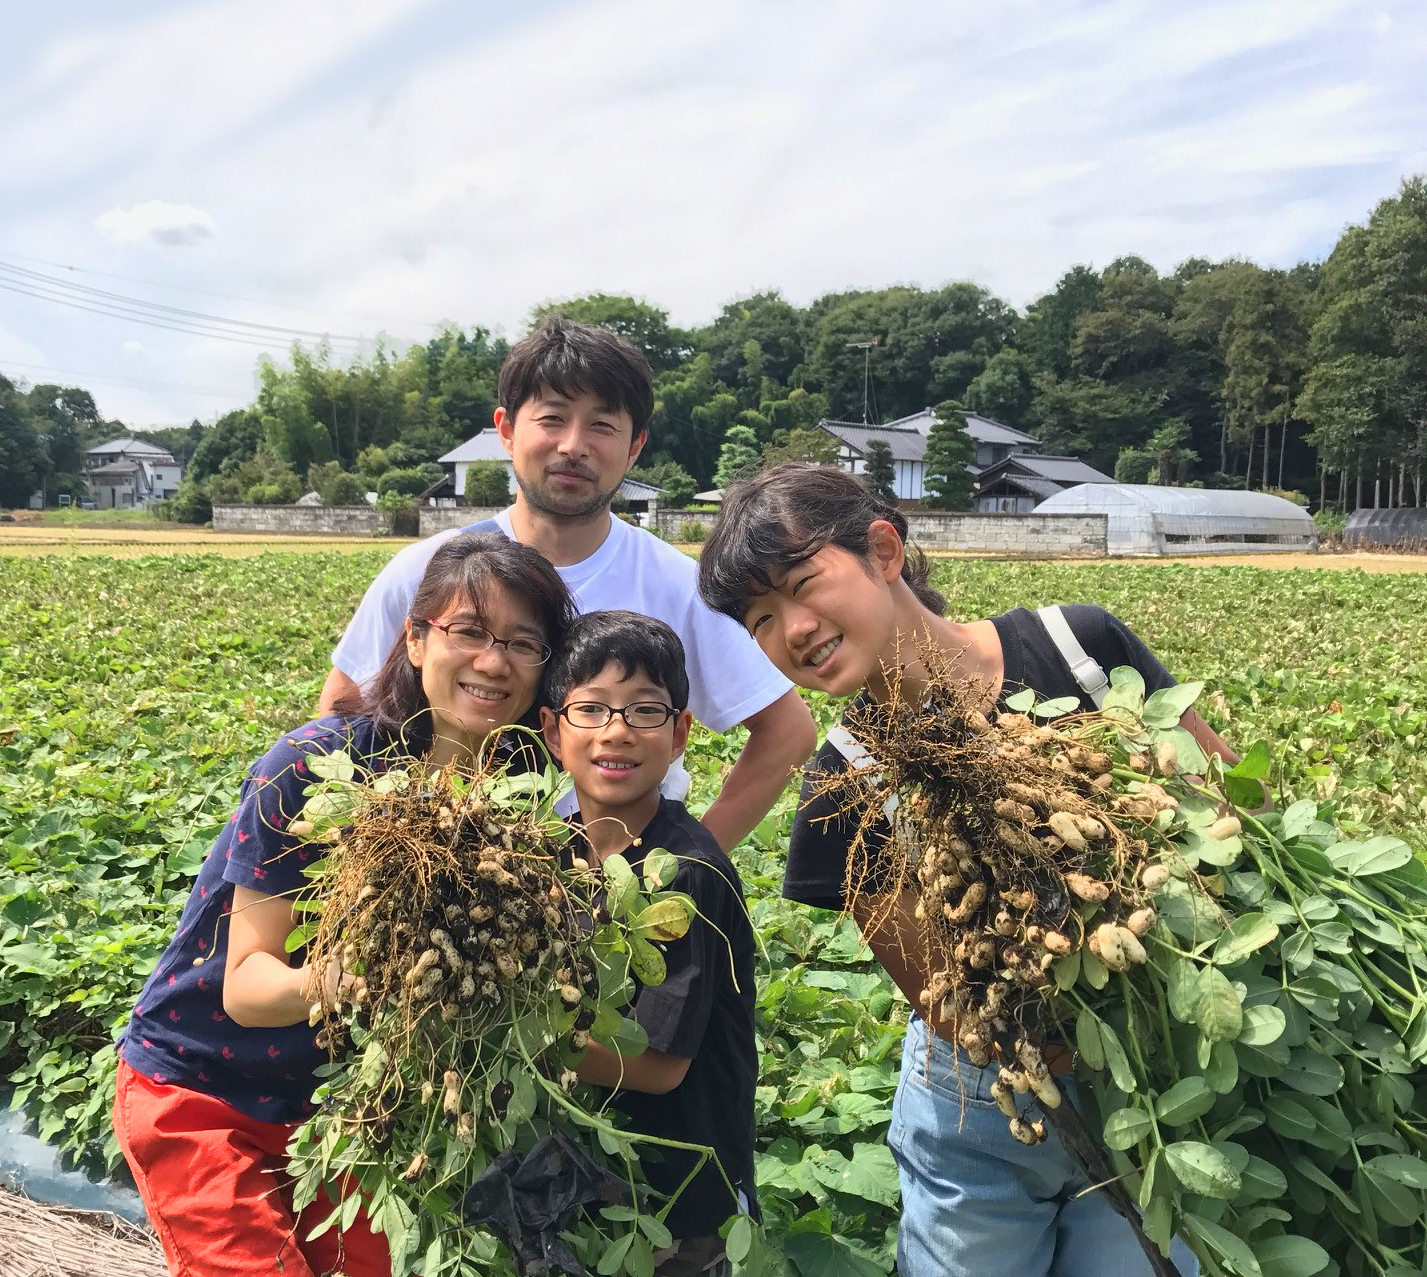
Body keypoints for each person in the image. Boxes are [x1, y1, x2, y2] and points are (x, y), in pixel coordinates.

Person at [697, 464, 1227, 1277]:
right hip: (984, 1113)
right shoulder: (844, 781)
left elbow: (1222, 807)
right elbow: (958, 1005)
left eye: (803, 586)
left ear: (882, 550)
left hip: (1149, 1092)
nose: (792, 629)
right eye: (761, 619)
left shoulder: (1077, 646)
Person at [112, 532, 575, 1277]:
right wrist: (369, 977)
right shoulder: (314, 767)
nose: (494, 661)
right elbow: (248, 986)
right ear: (416, 639)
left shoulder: (513, 806)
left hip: (339, 1109)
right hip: (202, 1086)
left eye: (526, 643)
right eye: (469, 632)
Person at [320, 317, 815, 853]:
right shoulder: (428, 572)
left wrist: (684, 862)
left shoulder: (679, 585)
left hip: (617, 903)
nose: (574, 446)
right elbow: (344, 710)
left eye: (602, 426)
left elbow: (787, 732)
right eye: (552, 418)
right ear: (507, 430)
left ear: (635, 447)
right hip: (446, 878)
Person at [539, 611, 757, 1277]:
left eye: (643, 710)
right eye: (592, 709)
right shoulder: (549, 854)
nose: (616, 731)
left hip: (678, 1204)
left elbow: (658, 1065)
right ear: (551, 730)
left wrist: (508, 1035)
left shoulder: (684, 875)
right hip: (585, 1183)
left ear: (679, 732)